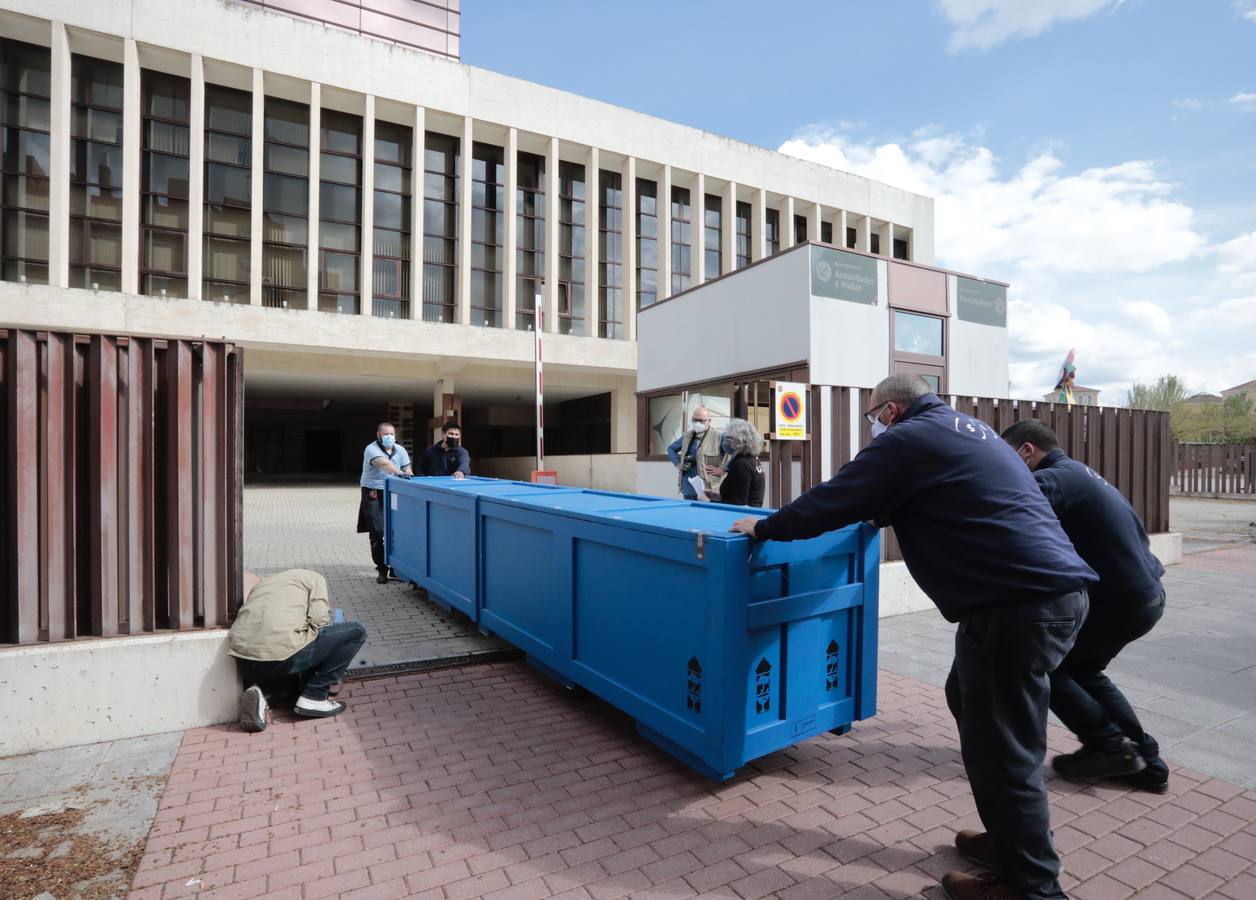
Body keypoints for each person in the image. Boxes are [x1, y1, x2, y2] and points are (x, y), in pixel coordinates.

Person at [731, 374, 1097, 900]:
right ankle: (1012, 841)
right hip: (1051, 599)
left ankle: (1032, 886)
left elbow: (837, 497)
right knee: (969, 702)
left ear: (892, 410)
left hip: (1015, 608)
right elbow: (929, 496)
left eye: (874, 416)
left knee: (1003, 747)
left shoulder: (907, 439)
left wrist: (766, 529)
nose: (874, 426)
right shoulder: (968, 428)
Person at [1002, 418, 1169, 793]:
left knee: (1049, 668)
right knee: (1085, 672)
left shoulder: (1053, 480)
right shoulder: (1080, 473)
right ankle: (1147, 764)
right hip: (1143, 594)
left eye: (1009, 459)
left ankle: (1108, 745)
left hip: (1121, 600)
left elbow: (1004, 508)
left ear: (1027, 451)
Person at [229, 569, 368, 732]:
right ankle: (315, 696)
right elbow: (319, 620)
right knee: (356, 631)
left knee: (292, 677)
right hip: (282, 657)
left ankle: (261, 693)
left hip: (245, 663)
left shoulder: (263, 585)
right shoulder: (315, 578)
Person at [358, 422, 412, 584]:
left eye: (392, 434)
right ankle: (382, 569)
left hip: (393, 492)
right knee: (377, 531)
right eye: (386, 434)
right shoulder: (371, 449)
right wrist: (398, 472)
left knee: (396, 531)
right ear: (378, 435)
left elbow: (407, 466)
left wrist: (407, 472)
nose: (390, 437)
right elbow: (383, 464)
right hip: (373, 492)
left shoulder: (400, 449)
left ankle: (395, 568)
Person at [667, 405, 721, 500]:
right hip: (689, 487)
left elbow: (731, 454)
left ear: (709, 421)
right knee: (690, 513)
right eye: (695, 420)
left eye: (701, 421)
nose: (697, 423)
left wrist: (723, 469)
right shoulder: (688, 436)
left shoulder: (718, 437)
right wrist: (677, 464)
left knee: (709, 513)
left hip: (710, 488)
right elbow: (671, 449)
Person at [716, 417, 765, 507]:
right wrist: (717, 497)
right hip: (751, 515)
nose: (726, 442)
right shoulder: (753, 460)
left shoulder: (741, 464)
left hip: (741, 518)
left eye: (729, 438)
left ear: (741, 440)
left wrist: (709, 501)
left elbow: (737, 504)